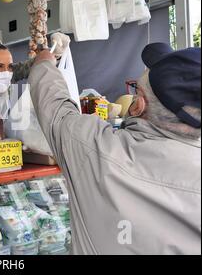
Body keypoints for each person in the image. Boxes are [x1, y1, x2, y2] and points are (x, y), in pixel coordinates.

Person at [28, 42, 201, 254]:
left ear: (138, 105)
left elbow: (55, 109)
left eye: (137, 90)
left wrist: (44, 62)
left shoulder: (97, 149)